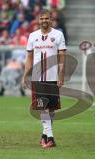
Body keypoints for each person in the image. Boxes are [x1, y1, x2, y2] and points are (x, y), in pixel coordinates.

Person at [22, 9, 66, 148]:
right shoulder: (32, 36)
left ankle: (44, 135)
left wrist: (61, 74)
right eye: (41, 19)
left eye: (46, 18)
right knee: (43, 108)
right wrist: (25, 75)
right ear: (38, 20)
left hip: (53, 77)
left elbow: (62, 57)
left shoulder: (58, 35)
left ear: (51, 19)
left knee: (51, 109)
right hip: (37, 77)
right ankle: (51, 138)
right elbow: (29, 57)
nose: (44, 21)